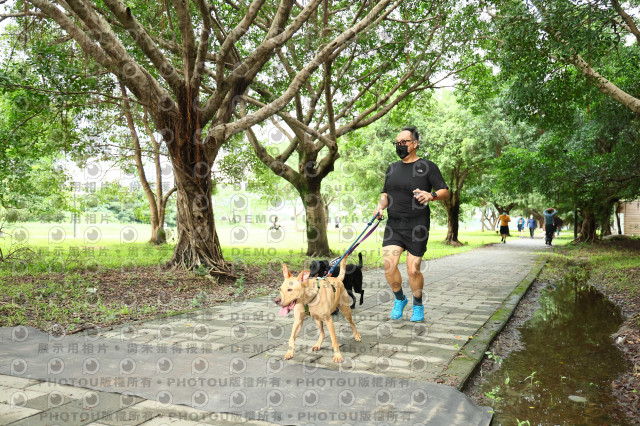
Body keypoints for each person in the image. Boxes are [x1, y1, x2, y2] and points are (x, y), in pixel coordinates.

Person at [374, 126, 449, 323]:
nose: (399, 146)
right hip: (394, 224)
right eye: (397, 143)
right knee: (389, 265)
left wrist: (431, 195)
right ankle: (400, 299)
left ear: (414, 144)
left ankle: (417, 303)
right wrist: (380, 207)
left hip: (418, 225)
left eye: (403, 142)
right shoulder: (392, 169)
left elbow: (444, 191)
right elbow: (385, 195)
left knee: (413, 269)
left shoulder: (428, 166)